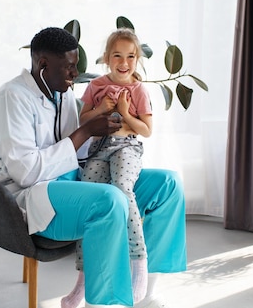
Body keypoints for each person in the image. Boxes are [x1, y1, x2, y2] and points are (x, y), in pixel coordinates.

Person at [0, 27, 186, 308]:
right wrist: (86, 131)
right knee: (110, 198)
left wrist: (111, 130)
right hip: (33, 197)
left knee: (168, 184)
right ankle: (99, 302)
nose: (75, 74)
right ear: (43, 65)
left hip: (73, 182)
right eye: (69, 67)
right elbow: (24, 172)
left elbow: (77, 154)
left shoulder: (62, 93)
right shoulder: (12, 97)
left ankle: (145, 295)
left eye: (75, 66)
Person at [77, 29, 152, 304]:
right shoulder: (96, 85)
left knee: (122, 188)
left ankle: (138, 261)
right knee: (88, 200)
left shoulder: (139, 89)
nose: (124, 62)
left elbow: (146, 130)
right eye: (118, 56)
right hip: (99, 148)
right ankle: (83, 279)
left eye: (131, 56)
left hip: (127, 146)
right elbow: (83, 120)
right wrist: (102, 108)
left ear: (137, 58)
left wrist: (126, 110)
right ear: (107, 58)